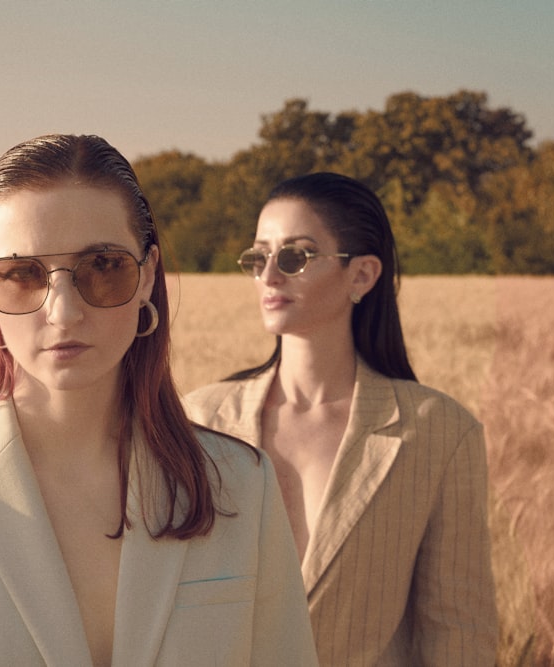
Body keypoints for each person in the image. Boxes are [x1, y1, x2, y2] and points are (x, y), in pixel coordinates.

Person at [0, 134, 318, 666]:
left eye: (103, 266)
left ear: (146, 276)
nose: (64, 311)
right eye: (21, 274)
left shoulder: (241, 486)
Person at [184, 172, 498, 666]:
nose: (269, 276)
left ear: (363, 275)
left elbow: (457, 632)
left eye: (295, 256)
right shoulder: (198, 420)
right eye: (258, 257)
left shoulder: (440, 431)